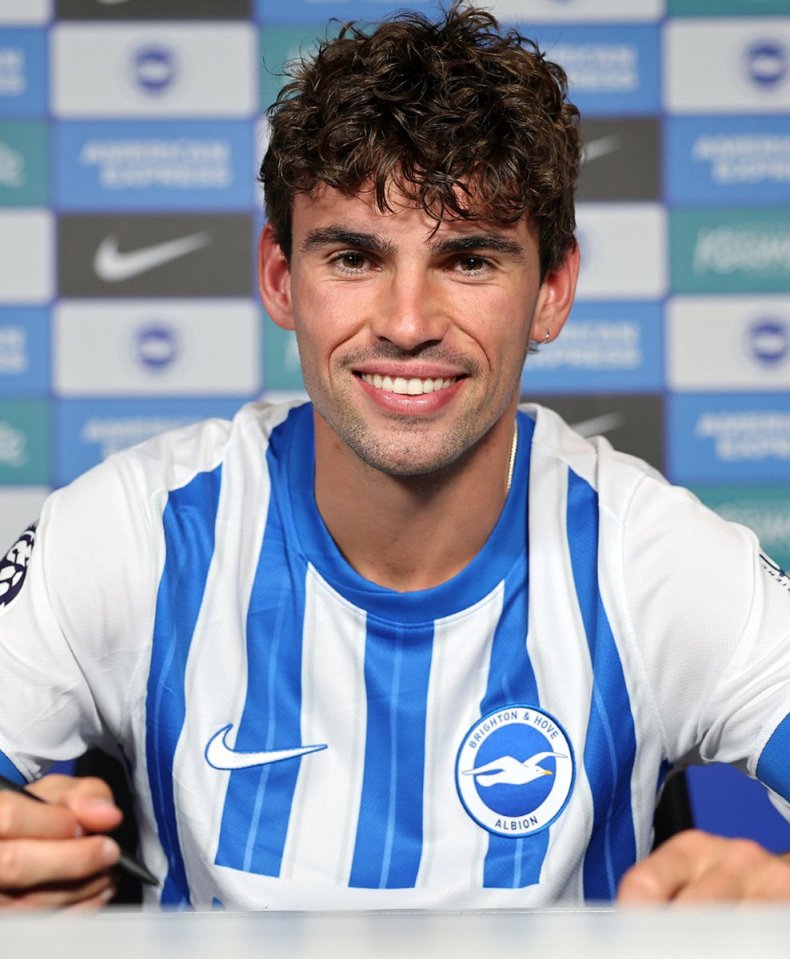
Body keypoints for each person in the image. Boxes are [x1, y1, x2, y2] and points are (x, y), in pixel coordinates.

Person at [0, 2, 788, 911]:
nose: (408, 324)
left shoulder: (646, 557)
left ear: (552, 293)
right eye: (354, 258)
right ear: (280, 278)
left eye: (468, 261)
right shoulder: (139, 533)